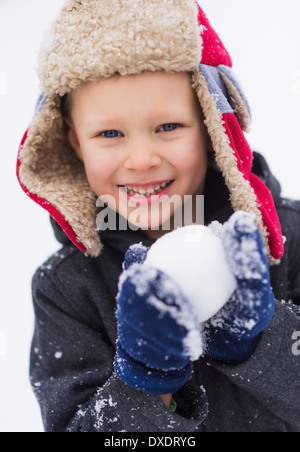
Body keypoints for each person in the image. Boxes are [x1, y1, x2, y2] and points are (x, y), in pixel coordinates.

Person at [17, 0, 300, 432]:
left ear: (211, 126)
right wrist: (146, 385)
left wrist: (260, 344)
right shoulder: (67, 290)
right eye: (109, 133)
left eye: (168, 126)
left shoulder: (288, 242)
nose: (143, 159)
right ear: (76, 144)